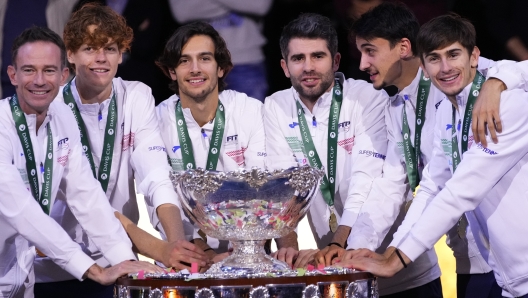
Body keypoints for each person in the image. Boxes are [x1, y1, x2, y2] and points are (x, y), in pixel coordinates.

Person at [338, 14, 528, 298]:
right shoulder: (443, 112)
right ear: (424, 66)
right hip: (500, 273)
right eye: (435, 59)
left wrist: (499, 80)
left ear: (474, 56)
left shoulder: (502, 102)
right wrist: (385, 251)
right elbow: (429, 188)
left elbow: (459, 191)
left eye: (370, 51)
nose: (446, 67)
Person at [34, 4, 203, 298]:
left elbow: (155, 176)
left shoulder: (136, 96)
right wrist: (160, 249)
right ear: (70, 55)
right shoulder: (50, 108)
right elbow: (86, 201)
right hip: (53, 270)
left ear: (121, 54)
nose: (101, 58)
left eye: (110, 49)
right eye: (90, 48)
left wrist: (178, 248)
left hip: (118, 265)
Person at [0, 26, 161, 298]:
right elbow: (20, 210)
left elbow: (87, 198)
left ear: (63, 75)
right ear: (13, 75)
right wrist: (93, 269)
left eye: (49, 70)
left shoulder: (61, 118)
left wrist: (125, 264)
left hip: (22, 282)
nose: (39, 80)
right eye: (29, 70)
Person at [264, 13, 388, 267]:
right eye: (298, 58)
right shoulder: (276, 106)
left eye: (318, 56)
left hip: (397, 271)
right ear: (285, 67)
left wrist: (338, 241)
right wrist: (289, 250)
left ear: (336, 61)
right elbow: (282, 185)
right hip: (335, 266)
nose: (308, 67)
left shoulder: (368, 98)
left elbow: (367, 179)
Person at [155, 21, 274, 261]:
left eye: (205, 58)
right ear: (171, 71)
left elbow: (261, 190)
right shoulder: (157, 120)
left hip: (247, 254)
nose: (195, 69)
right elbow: (158, 194)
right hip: (183, 255)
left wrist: (238, 255)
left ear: (221, 68)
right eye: (184, 60)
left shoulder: (249, 111)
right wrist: (200, 250)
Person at [169, 0, 272, 101]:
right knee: (200, 117)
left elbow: (260, 4)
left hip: (245, 61)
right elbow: (182, 11)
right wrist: (237, 5)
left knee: (249, 117)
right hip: (199, 63)